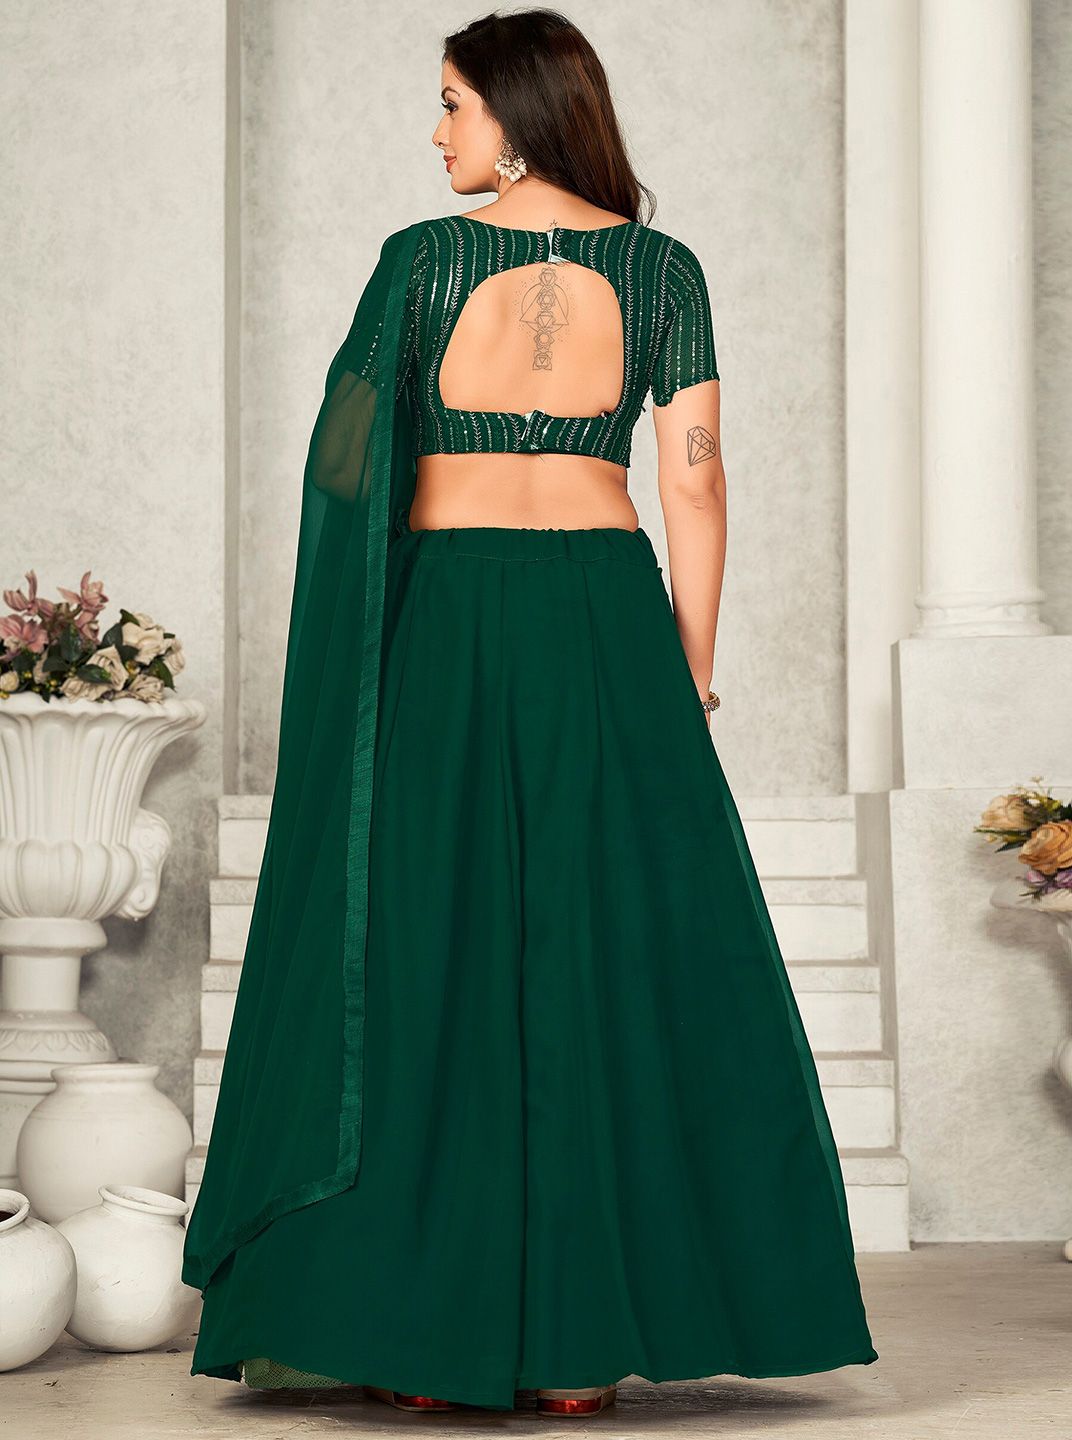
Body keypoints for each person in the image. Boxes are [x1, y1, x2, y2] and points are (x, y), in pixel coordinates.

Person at [182, 8, 879, 1418]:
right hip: (606, 621)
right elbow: (696, 478)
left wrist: (363, 614)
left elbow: (346, 465)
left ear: (514, 112)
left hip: (447, 619)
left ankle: (424, 1340)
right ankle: (574, 1353)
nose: (437, 130)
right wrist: (689, 667)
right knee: (595, 949)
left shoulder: (420, 263)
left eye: (452, 102)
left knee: (430, 952)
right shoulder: (663, 271)